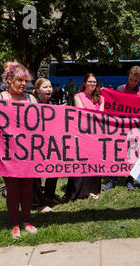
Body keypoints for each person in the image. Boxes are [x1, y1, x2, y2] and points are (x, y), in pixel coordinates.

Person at [0, 62, 39, 239]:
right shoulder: (0, 99)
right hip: (8, 153)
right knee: (13, 190)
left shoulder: (31, 99)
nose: (23, 84)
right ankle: (14, 224)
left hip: (28, 152)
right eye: (19, 80)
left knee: (28, 189)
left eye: (25, 81)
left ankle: (26, 221)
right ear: (9, 79)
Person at [103, 66, 140, 192]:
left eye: (135, 81)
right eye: (131, 79)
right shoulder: (120, 89)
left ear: (139, 79)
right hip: (120, 127)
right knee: (117, 153)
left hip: (134, 128)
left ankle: (129, 180)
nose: (133, 83)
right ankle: (112, 180)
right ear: (128, 76)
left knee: (132, 154)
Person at [62, 73, 104, 201]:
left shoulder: (101, 98)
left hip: (97, 134)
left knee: (94, 162)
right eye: (90, 82)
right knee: (81, 162)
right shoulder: (78, 97)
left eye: (94, 82)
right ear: (85, 83)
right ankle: (79, 190)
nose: (92, 84)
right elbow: (83, 114)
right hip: (83, 134)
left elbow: (101, 116)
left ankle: (92, 190)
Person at [31, 78, 60, 211]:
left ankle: (49, 195)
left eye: (50, 86)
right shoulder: (32, 103)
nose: (49, 89)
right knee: (35, 172)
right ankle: (37, 202)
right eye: (45, 87)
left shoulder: (52, 103)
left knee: (54, 166)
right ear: (37, 90)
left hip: (49, 142)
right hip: (35, 144)